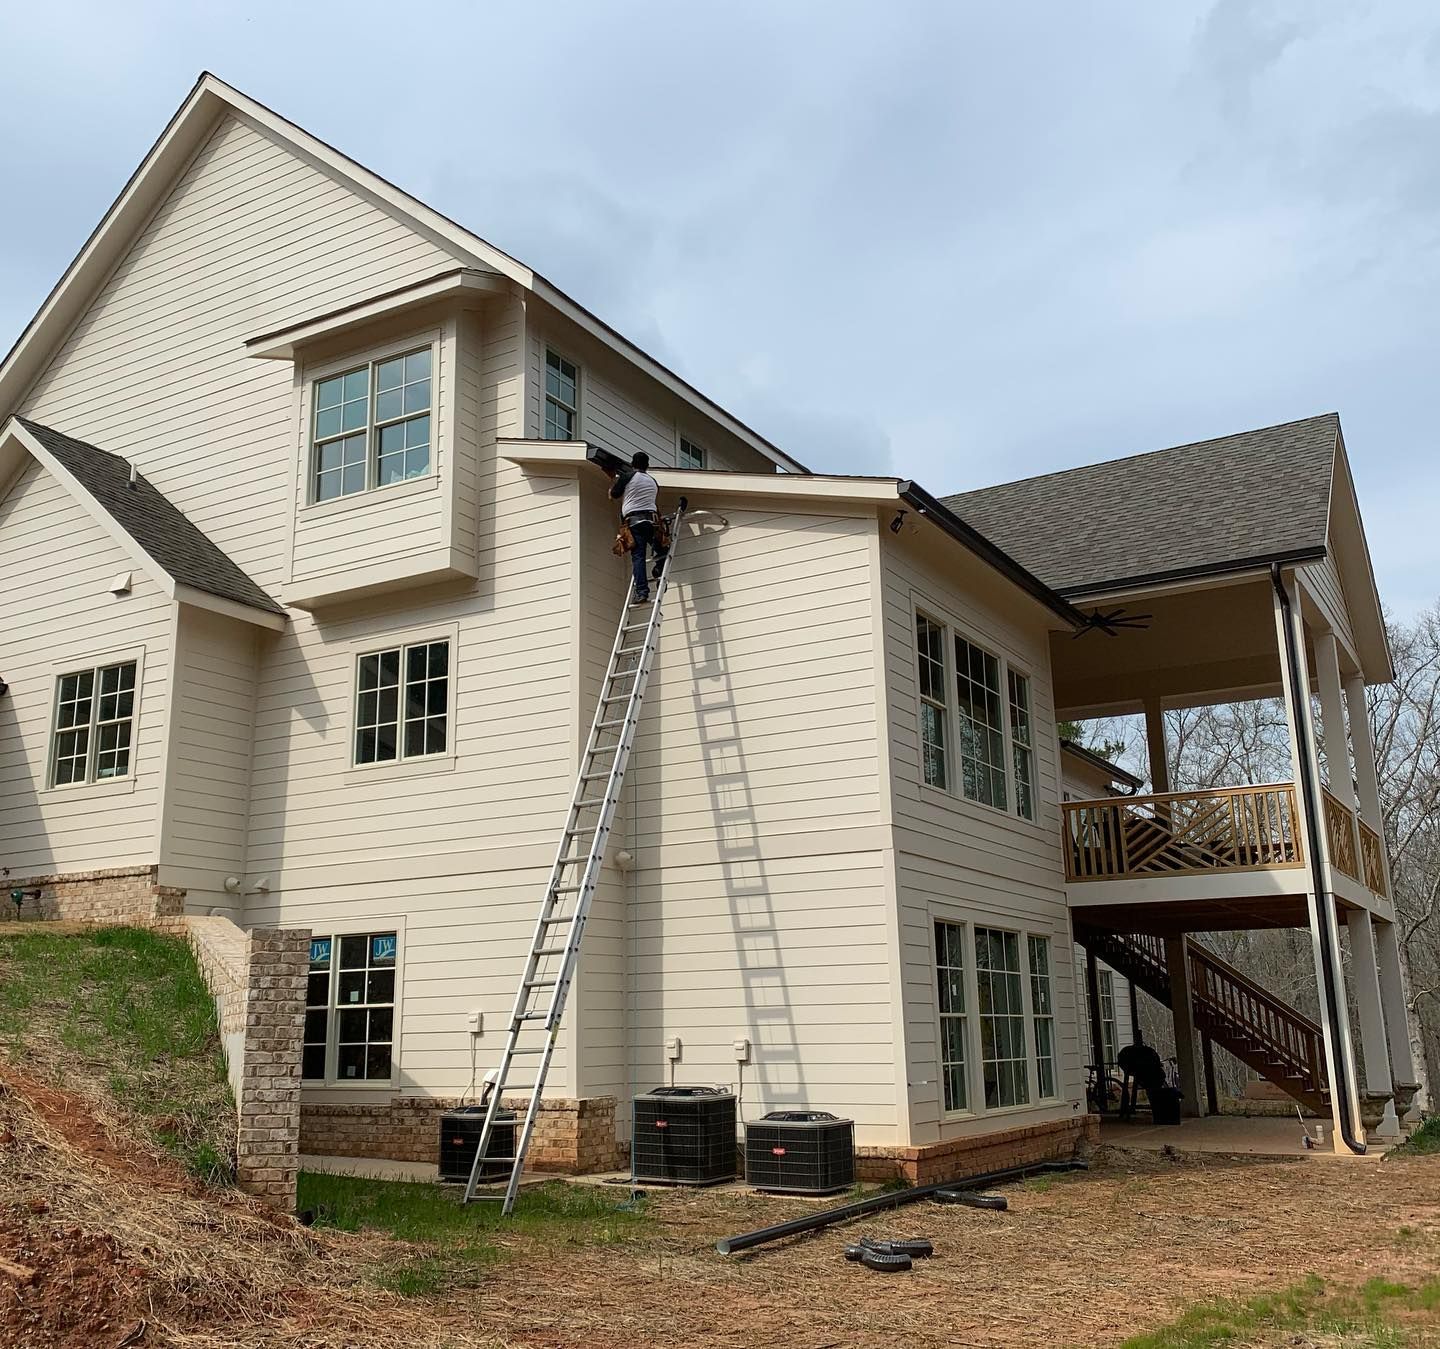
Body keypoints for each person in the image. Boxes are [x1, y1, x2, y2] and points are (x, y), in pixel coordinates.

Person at [609, 451, 668, 602]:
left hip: (634, 522)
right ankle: (659, 570)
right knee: (660, 549)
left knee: (638, 557)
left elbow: (614, 494)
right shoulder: (652, 481)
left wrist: (613, 483)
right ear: (647, 466)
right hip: (652, 522)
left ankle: (642, 592)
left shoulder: (628, 476)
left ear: (632, 464)